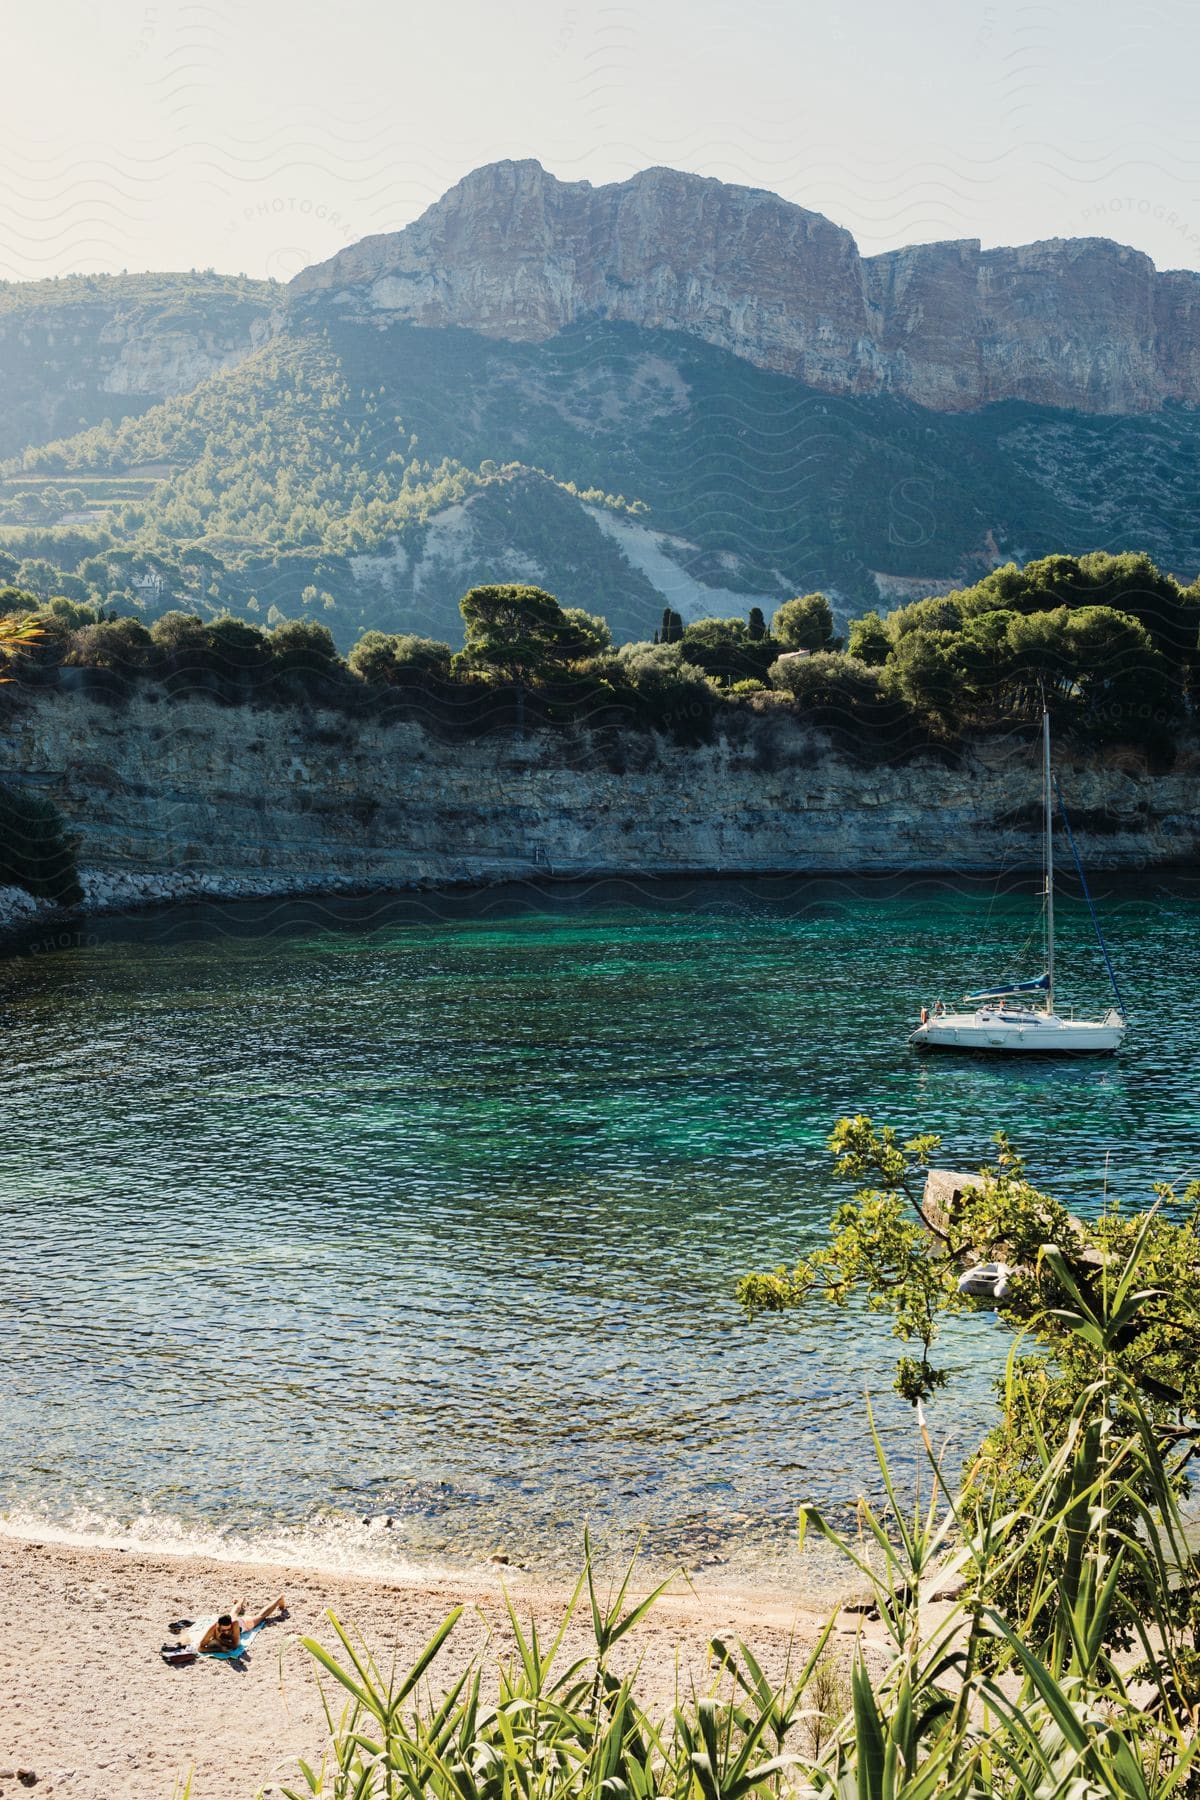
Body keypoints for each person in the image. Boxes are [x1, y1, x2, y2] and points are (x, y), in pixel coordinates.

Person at [162, 1594, 286, 1664]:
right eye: (223, 1630)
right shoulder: (214, 1627)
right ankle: (241, 1600)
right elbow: (201, 1647)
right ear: (218, 1626)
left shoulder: (236, 1625)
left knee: (260, 1616)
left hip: (244, 1624)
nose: (226, 1632)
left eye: (228, 1629)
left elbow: (236, 1644)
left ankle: (279, 1599)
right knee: (233, 1612)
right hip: (230, 1619)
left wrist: (221, 1645)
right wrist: (220, 1646)